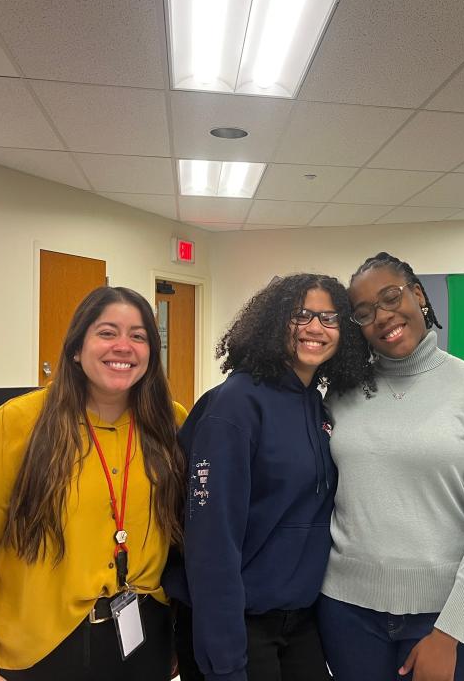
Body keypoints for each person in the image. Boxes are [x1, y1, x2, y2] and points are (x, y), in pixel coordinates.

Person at [0, 286, 188, 680]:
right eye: (107, 333)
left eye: (139, 336)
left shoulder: (169, 424)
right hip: (40, 649)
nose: (124, 346)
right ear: (76, 348)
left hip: (145, 637)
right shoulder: (18, 424)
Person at [315, 252, 464, 681]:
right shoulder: (342, 394)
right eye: (364, 312)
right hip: (346, 614)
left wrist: (450, 630)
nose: (383, 317)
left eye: (391, 297)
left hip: (445, 616)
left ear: (419, 295)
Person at [167, 273, 372, 681]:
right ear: (274, 322)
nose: (316, 328)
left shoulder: (316, 406)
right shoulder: (234, 407)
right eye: (301, 315)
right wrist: (224, 662)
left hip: (297, 621)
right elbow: (211, 543)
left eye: (330, 318)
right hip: (237, 625)